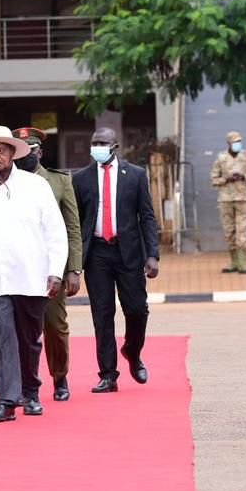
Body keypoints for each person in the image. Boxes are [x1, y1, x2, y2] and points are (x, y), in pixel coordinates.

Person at [0, 126, 67, 423]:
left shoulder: (37, 187)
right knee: (1, 336)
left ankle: (30, 393)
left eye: (1, 150)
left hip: (31, 278)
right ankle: (6, 400)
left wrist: (56, 271)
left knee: (28, 339)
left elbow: (56, 233)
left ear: (12, 153)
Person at [72, 127, 159, 394]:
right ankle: (108, 374)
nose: (98, 146)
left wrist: (152, 254)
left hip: (128, 252)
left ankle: (133, 352)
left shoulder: (135, 175)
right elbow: (75, 223)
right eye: (95, 142)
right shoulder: (81, 178)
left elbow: (146, 216)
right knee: (102, 314)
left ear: (115, 146)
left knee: (136, 310)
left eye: (103, 142)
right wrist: (73, 265)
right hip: (97, 253)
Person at [11, 127, 82, 401]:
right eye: (19, 150)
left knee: (54, 325)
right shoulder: (8, 181)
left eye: (28, 150)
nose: (23, 156)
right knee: (21, 328)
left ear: (39, 151)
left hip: (51, 266)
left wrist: (74, 269)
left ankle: (60, 377)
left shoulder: (59, 181)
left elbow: (72, 228)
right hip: (19, 267)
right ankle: (22, 383)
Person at [210, 130, 246, 274]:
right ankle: (234, 262)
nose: (238, 144)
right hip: (225, 198)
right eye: (235, 141)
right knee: (229, 231)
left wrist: (244, 176)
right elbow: (213, 179)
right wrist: (226, 179)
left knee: (242, 232)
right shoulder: (221, 158)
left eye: (239, 141)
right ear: (229, 143)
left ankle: (244, 264)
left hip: (242, 198)